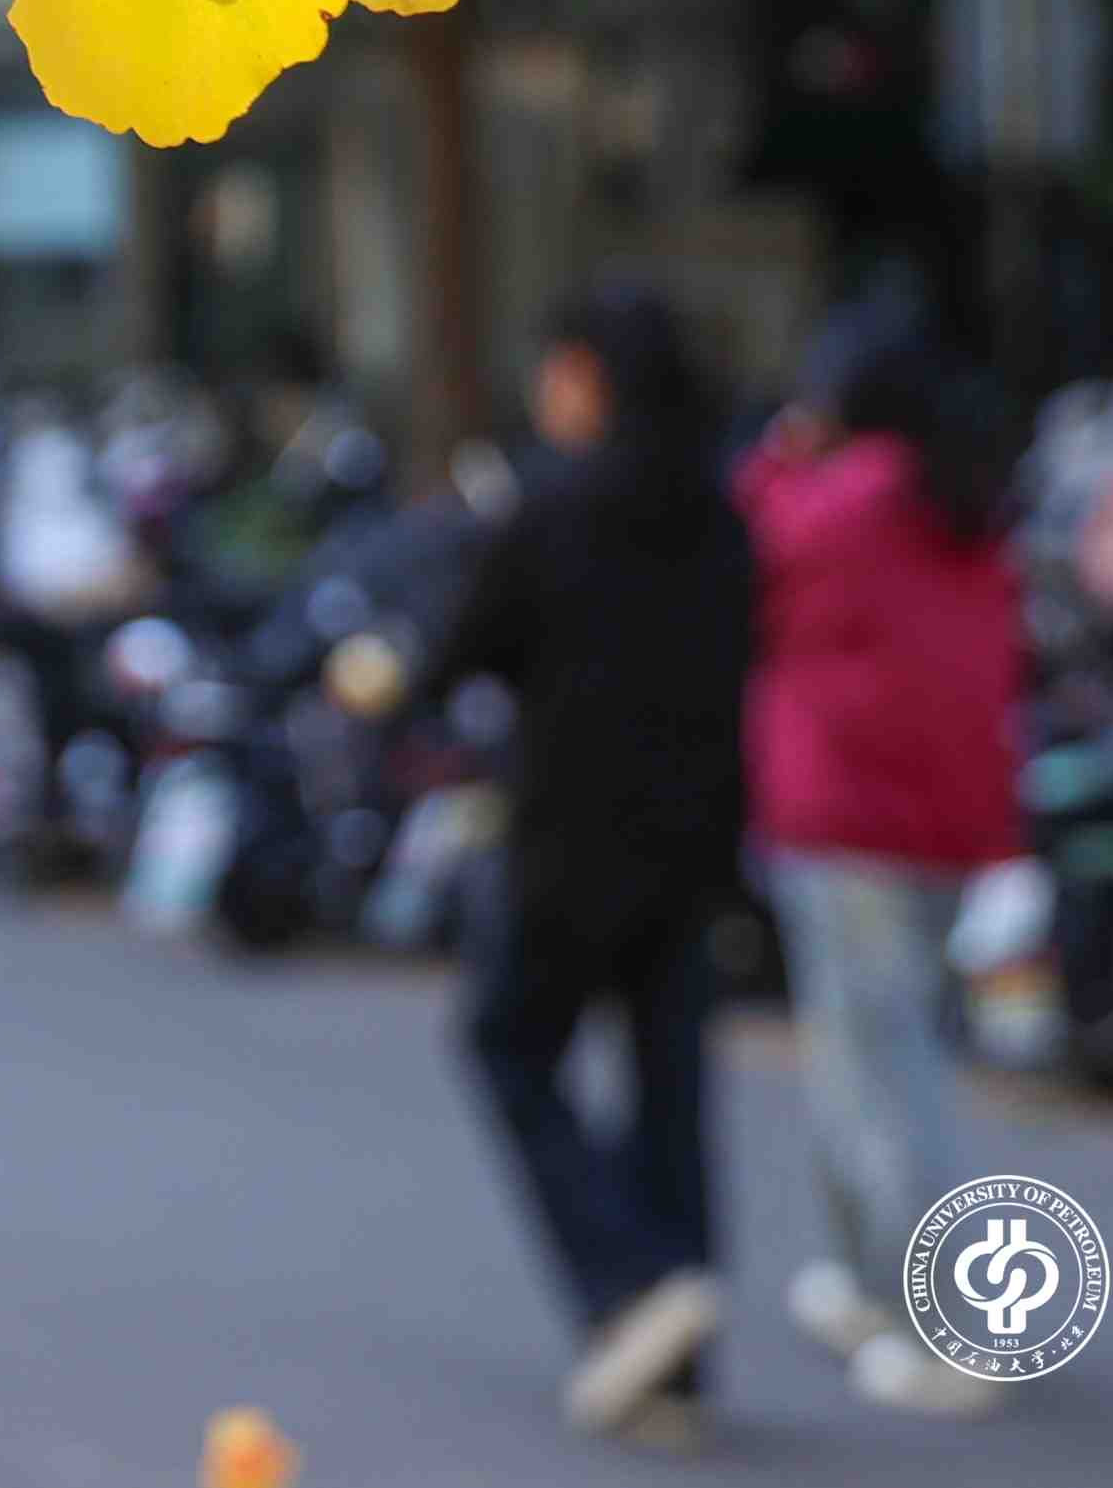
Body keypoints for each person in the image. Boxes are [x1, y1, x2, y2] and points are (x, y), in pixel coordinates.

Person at [413, 284, 756, 1449]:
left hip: (567, 840)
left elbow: (461, 648)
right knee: (670, 1095)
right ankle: (677, 1365)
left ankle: (630, 1282)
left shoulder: (555, 508)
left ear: (590, 378)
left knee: (505, 1044)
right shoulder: (718, 510)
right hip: (696, 844)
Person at [740, 300, 1025, 1421]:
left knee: (879, 1069)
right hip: (947, 820)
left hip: (846, 818)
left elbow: (750, 547)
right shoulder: (962, 498)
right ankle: (864, 1283)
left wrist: (778, 456)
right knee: (859, 1052)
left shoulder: (846, 499)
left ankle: (951, 1329)